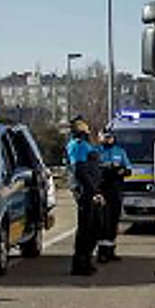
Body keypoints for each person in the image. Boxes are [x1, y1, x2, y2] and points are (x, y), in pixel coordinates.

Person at [66, 116, 104, 276]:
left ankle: (87, 259)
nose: (87, 128)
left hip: (91, 190)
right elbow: (80, 171)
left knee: (95, 226)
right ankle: (80, 263)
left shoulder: (86, 145)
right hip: (85, 191)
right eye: (84, 126)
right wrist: (93, 192)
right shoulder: (78, 145)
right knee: (86, 228)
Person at [94, 127, 132, 263]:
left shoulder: (120, 151)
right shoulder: (96, 152)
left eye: (110, 137)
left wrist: (120, 171)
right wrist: (105, 170)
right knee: (103, 221)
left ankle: (110, 250)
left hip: (116, 190)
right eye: (105, 137)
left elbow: (128, 169)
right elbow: (94, 170)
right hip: (102, 190)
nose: (108, 139)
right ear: (100, 138)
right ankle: (101, 252)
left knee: (114, 220)